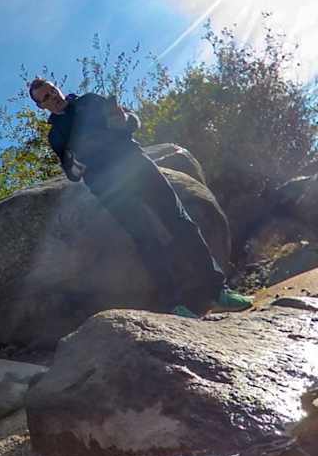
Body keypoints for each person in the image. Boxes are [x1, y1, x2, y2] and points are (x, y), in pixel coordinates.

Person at [28, 78, 252, 317]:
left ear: (58, 88)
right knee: (145, 238)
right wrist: (77, 162)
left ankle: (217, 291)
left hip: (137, 166)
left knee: (180, 222)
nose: (54, 97)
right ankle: (174, 305)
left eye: (53, 91)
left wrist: (124, 120)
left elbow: (132, 120)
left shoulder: (90, 101)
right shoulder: (56, 136)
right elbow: (72, 173)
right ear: (41, 107)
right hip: (108, 187)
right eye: (46, 98)